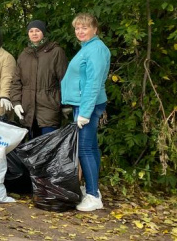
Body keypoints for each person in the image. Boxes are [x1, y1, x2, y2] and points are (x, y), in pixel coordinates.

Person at [61, 13, 110, 212]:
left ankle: (92, 195)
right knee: (91, 147)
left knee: (84, 149)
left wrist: (85, 112)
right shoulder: (88, 48)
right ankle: (93, 191)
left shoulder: (96, 50)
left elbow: (93, 83)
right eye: (77, 28)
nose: (80, 31)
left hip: (87, 105)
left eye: (85, 27)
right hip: (81, 104)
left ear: (95, 29)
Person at [9, 20, 68, 138]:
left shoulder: (56, 52)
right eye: (31, 31)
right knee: (33, 149)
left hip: (49, 107)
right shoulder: (24, 55)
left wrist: (66, 104)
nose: (34, 33)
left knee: (48, 148)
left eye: (37, 30)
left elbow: (65, 79)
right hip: (28, 110)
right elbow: (16, 81)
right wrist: (15, 102)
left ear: (44, 33)